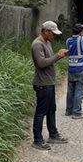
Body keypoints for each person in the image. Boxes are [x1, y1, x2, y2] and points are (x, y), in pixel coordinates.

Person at [30, 20, 69, 151]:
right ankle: (37, 140)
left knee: (51, 109)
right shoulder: (37, 45)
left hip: (49, 82)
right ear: (46, 31)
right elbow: (41, 63)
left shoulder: (47, 42)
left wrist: (58, 55)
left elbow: (50, 59)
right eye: (52, 33)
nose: (54, 36)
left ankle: (53, 134)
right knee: (41, 112)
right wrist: (57, 56)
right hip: (42, 84)